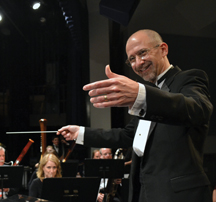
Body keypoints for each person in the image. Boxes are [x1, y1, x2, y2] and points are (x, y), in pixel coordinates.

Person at [57, 29, 213, 202]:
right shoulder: (149, 98)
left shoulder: (188, 79)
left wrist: (142, 95)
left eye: (142, 53)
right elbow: (126, 136)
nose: (138, 63)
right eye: (131, 59)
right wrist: (80, 133)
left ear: (163, 49)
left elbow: (199, 109)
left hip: (180, 196)